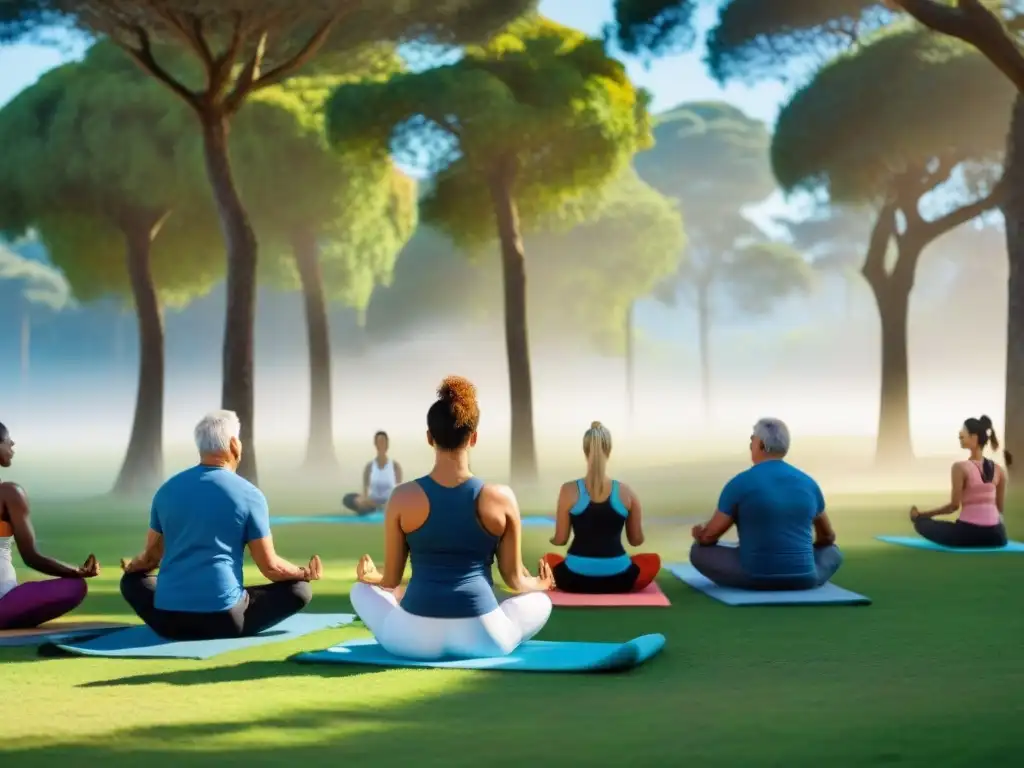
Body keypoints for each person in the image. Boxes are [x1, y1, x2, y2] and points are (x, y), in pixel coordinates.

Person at [350, 375, 554, 660]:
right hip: (485, 638)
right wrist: (540, 584)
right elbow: (515, 579)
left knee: (359, 591)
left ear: (429, 438)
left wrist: (371, 577)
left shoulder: (402, 497)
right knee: (540, 601)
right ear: (473, 438)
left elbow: (391, 580)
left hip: (411, 639)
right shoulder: (502, 497)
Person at [119, 410, 322, 640]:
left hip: (169, 622)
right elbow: (271, 568)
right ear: (234, 445)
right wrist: (303, 573)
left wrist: (132, 567)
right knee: (299, 589)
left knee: (131, 582)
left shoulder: (166, 491)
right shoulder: (249, 495)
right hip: (224, 621)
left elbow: (150, 558)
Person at [689, 417, 843, 591]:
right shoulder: (809, 483)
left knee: (698, 552)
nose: (750, 446)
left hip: (754, 577)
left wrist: (700, 535)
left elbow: (710, 537)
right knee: (833, 552)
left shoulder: (740, 483)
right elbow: (828, 538)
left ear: (761, 445)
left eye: (752, 440)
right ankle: (799, 567)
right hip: (805, 578)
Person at [0, 421, 98, 630]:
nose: (13, 443)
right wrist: (78, 572)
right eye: (7, 439)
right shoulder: (9, 493)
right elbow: (31, 557)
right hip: (3, 604)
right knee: (74, 587)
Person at [542, 421, 661, 593]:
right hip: (620, 580)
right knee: (651, 561)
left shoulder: (567, 490)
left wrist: (552, 538)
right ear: (609, 450)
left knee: (548, 560)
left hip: (573, 579)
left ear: (585, 450)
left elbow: (560, 540)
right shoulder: (627, 492)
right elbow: (636, 541)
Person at [909, 415, 1009, 548]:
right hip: (997, 537)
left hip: (967, 534)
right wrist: (997, 530)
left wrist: (922, 515)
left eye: (964, 431)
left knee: (922, 524)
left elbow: (954, 506)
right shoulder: (999, 470)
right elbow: (999, 509)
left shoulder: (960, 467)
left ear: (974, 437)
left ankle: (919, 519)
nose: (960, 433)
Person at [343, 431, 403, 516]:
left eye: (383, 442)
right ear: (375, 445)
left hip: (389, 502)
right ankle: (373, 508)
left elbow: (398, 490)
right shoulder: (369, 466)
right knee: (347, 498)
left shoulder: (395, 466)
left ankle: (380, 509)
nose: (381, 445)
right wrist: (363, 500)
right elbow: (365, 489)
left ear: (387, 445)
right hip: (371, 502)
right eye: (378, 442)